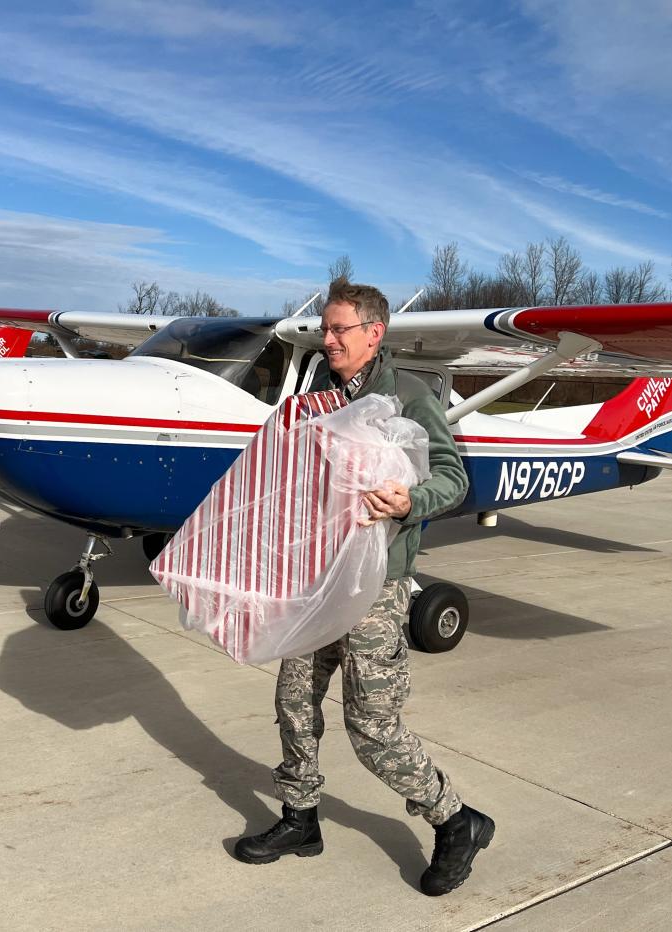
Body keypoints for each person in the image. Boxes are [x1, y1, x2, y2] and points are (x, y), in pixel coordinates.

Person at [233, 278, 494, 896]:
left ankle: (456, 820)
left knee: (373, 727)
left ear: (374, 334)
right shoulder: (317, 397)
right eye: (324, 329)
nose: (327, 340)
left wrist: (410, 501)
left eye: (337, 329)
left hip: (377, 584)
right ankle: (300, 819)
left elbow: (453, 477)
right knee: (294, 702)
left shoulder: (409, 395)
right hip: (317, 577)